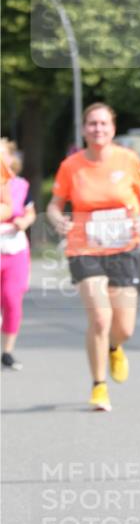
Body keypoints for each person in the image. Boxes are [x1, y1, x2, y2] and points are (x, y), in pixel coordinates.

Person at [46, 103, 140, 412]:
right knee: (99, 317)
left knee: (125, 327)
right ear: (84, 129)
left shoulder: (128, 159)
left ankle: (114, 346)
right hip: (84, 247)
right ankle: (99, 386)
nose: (98, 129)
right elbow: (55, 204)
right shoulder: (71, 166)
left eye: (103, 123)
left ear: (113, 128)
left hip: (123, 247)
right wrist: (57, 220)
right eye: (92, 124)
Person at [0, 140, 36, 370]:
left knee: (12, 298)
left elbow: (29, 211)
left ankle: (7, 351)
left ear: (12, 158)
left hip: (14, 246)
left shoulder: (20, 185)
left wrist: (24, 220)